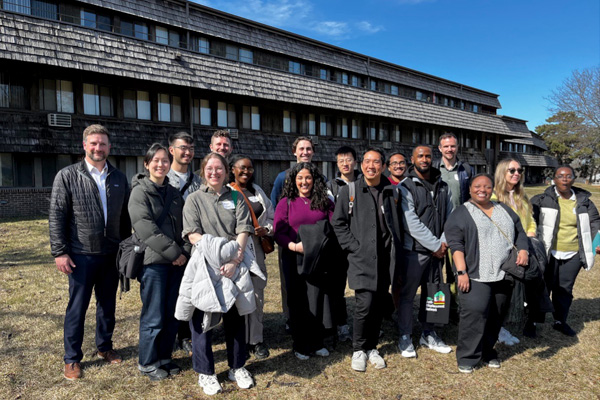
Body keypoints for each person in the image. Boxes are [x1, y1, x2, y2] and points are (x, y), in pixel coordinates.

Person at [49, 124, 130, 380]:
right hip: (80, 254)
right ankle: (72, 359)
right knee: (78, 308)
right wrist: (60, 252)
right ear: (84, 145)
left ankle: (104, 347)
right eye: (93, 143)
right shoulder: (67, 175)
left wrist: (127, 248)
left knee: (107, 306)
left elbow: (125, 218)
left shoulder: (118, 177)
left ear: (109, 147)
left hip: (111, 253)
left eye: (103, 143)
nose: (98, 148)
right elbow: (57, 215)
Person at [179, 152, 255, 395]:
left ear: (226, 170)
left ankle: (237, 366)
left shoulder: (236, 196)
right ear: (203, 171)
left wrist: (234, 259)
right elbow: (192, 234)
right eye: (209, 168)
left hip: (232, 266)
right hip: (204, 266)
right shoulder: (193, 199)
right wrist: (218, 256)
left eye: (219, 168)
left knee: (235, 318)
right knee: (202, 322)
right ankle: (205, 372)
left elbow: (243, 229)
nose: (214, 172)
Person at [445, 173, 528, 373]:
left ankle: (487, 351)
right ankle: (467, 356)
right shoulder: (461, 213)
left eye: (487, 186)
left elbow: (520, 232)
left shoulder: (504, 209)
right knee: (474, 314)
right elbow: (456, 246)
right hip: (475, 274)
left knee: (496, 315)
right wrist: (461, 271)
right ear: (470, 189)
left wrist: (523, 249)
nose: (482, 190)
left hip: (503, 272)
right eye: (477, 186)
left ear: (493, 189)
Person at [332, 148, 403, 372]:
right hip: (361, 259)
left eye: (376, 162)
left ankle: (372, 347)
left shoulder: (391, 191)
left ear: (383, 166)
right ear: (361, 165)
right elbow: (338, 223)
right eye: (367, 161)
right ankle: (358, 349)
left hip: (385, 258)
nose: (370, 166)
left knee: (379, 304)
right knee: (364, 305)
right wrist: (354, 247)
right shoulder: (350, 191)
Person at [128, 143, 190, 381]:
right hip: (154, 263)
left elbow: (185, 225)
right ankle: (148, 362)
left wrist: (183, 251)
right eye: (156, 160)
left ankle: (165, 357)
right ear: (147, 164)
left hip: (177, 262)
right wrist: (175, 253)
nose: (161, 164)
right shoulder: (139, 192)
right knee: (153, 315)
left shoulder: (174, 193)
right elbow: (145, 228)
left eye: (165, 160)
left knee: (171, 313)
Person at [273, 162, 335, 360]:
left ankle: (317, 342)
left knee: (317, 300)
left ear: (315, 180)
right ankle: (300, 345)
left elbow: (334, 226)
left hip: (319, 259)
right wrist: (293, 246)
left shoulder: (325, 201)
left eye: (308, 177)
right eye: (300, 178)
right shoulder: (286, 202)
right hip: (294, 257)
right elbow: (278, 232)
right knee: (299, 301)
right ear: (293, 180)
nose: (304, 182)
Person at [396, 145, 453, 358]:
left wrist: (444, 242)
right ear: (413, 159)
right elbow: (410, 222)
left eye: (428, 156)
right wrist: (435, 245)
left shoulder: (443, 185)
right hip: (415, 252)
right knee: (407, 295)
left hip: (438, 251)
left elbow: (451, 216)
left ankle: (429, 333)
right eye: (420, 156)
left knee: (434, 294)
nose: (425, 159)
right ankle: (405, 335)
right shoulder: (406, 186)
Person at [531, 165, 600, 337]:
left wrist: (597, 242)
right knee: (541, 287)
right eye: (560, 176)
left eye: (568, 176)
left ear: (574, 179)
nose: (564, 179)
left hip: (573, 253)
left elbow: (595, 224)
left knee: (564, 289)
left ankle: (560, 321)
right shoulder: (541, 199)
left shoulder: (584, 201)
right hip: (547, 252)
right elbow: (528, 220)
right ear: (553, 179)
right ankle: (533, 321)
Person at [229, 154, 275, 360]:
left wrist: (267, 228)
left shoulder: (259, 192)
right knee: (237, 293)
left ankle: (256, 340)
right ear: (232, 169)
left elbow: (271, 216)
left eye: (249, 168)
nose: (246, 172)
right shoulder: (226, 192)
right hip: (234, 251)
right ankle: (237, 339)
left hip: (256, 251)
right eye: (241, 168)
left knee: (256, 294)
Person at [270, 136, 316, 333]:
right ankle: (291, 318)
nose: (305, 152)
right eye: (301, 149)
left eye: (308, 149)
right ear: (294, 152)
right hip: (289, 239)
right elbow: (275, 205)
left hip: (313, 241)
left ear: (313, 152)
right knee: (289, 282)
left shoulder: (317, 175)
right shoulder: (283, 177)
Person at [492, 159, 537, 343]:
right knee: (501, 293)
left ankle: (503, 326)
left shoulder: (522, 196)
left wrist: (531, 232)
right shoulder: (494, 197)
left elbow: (530, 219)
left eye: (519, 170)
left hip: (523, 248)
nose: (516, 173)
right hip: (504, 252)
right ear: (502, 172)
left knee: (514, 292)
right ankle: (497, 329)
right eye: (511, 170)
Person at [167, 131, 202, 356]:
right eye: (182, 148)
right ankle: (169, 336)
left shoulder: (199, 181)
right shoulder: (161, 177)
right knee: (169, 294)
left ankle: (186, 335)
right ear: (171, 150)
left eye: (190, 148)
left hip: (194, 247)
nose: (187, 152)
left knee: (191, 292)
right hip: (168, 248)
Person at [326, 145, 359, 342]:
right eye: (341, 161)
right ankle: (341, 325)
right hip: (338, 244)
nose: (345, 164)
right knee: (337, 287)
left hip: (360, 242)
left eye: (348, 160)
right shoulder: (331, 186)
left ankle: (367, 323)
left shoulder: (364, 182)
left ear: (355, 161)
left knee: (363, 286)